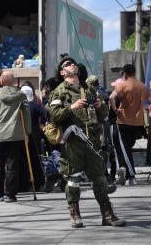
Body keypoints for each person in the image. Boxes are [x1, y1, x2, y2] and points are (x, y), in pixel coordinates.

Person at [49, 56, 126, 228]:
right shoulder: (59, 91)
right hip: (73, 143)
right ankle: (75, 214)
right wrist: (72, 107)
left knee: (99, 179)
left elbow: (104, 116)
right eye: (67, 64)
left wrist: (100, 105)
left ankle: (108, 215)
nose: (72, 65)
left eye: (73, 63)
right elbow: (53, 116)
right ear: (62, 72)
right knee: (73, 179)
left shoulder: (89, 89)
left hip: (92, 141)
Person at [109, 64, 151, 185]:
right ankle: (125, 173)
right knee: (127, 148)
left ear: (125, 74)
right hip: (137, 124)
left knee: (124, 149)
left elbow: (111, 98)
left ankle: (131, 175)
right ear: (134, 72)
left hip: (123, 121)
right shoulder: (142, 86)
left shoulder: (121, 85)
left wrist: (115, 110)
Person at [0, 71, 31, 203]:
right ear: (13, 81)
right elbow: (26, 112)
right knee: (12, 164)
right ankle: (10, 194)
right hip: (15, 134)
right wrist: (27, 131)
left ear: (2, 81)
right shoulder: (21, 95)